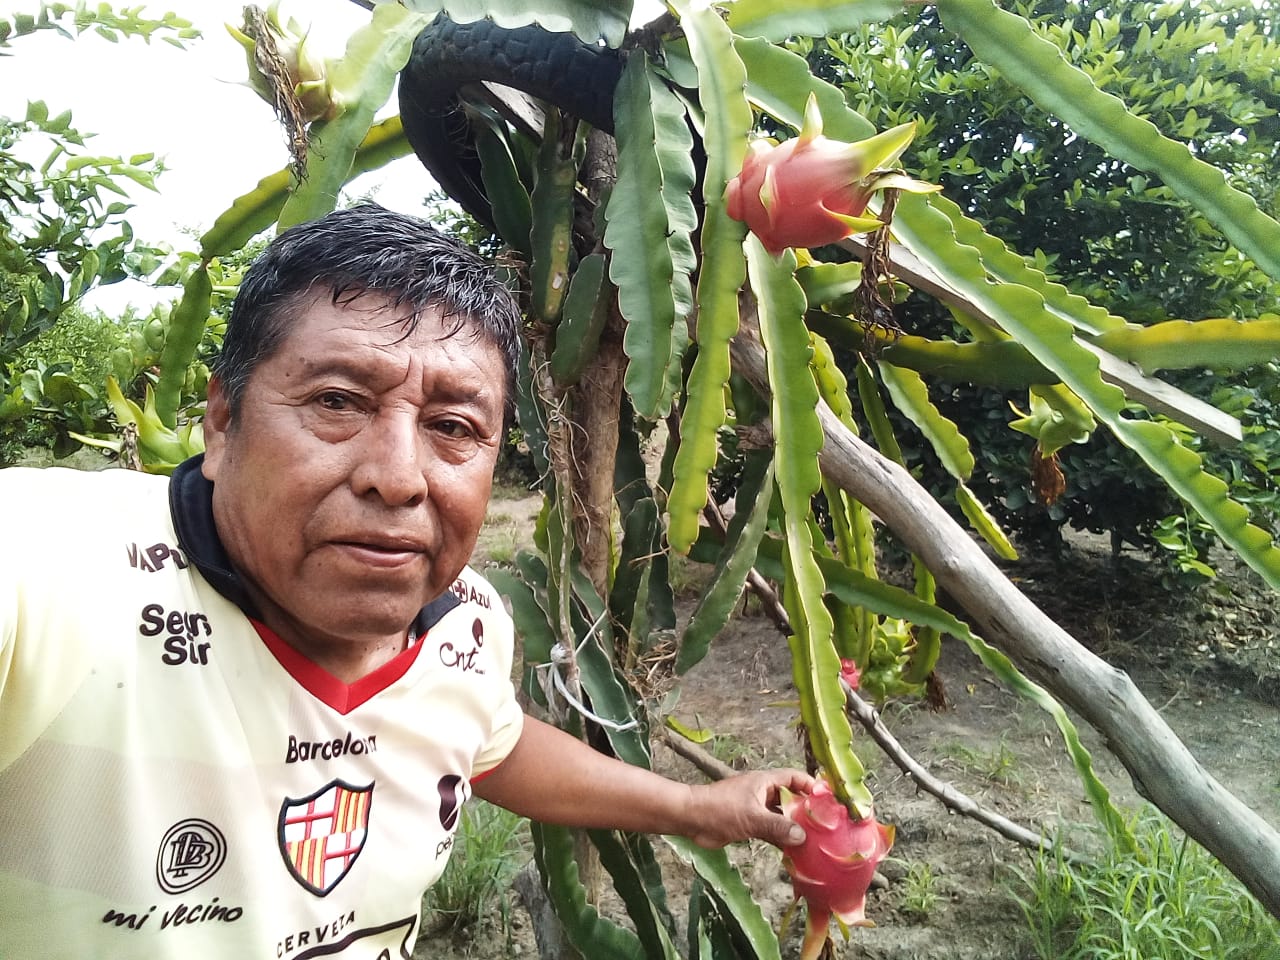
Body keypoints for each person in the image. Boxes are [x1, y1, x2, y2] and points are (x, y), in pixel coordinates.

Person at [0, 204, 812, 958]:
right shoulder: (52, 565)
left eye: (453, 426)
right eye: (337, 402)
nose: (397, 478)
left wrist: (695, 807)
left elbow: (487, 743)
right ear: (221, 423)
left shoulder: (467, 622)